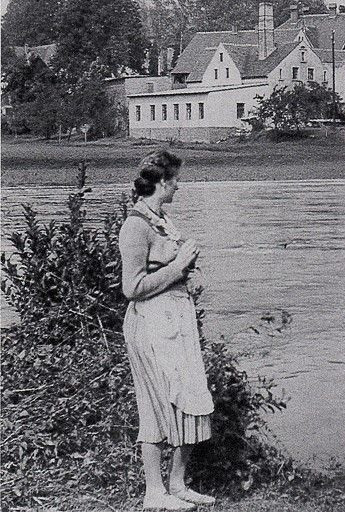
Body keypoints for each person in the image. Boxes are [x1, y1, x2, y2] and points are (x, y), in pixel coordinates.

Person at [119, 151, 216, 510]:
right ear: (161, 182)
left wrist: (185, 265)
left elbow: (173, 270)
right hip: (148, 324)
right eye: (175, 179)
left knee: (190, 397)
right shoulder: (135, 226)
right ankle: (154, 493)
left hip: (175, 320)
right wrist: (177, 266)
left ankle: (177, 484)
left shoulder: (163, 221)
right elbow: (132, 288)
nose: (179, 184)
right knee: (156, 404)